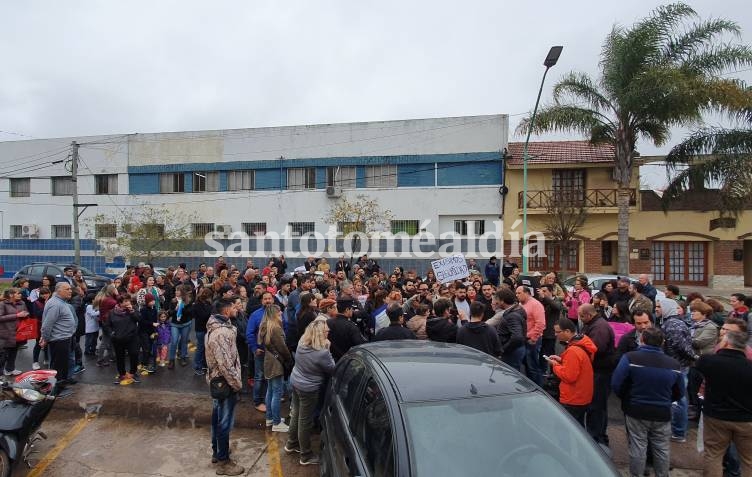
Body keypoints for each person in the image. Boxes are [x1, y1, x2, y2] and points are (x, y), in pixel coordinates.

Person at [611, 327, 684, 477]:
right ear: (662, 342)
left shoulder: (631, 358)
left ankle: (637, 474)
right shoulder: (674, 364)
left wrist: (626, 398)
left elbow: (617, 383)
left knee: (638, 446)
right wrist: (667, 400)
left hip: (636, 409)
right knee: (662, 447)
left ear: (642, 340)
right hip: (662, 411)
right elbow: (680, 391)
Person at [695, 328, 752, 477]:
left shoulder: (709, 361)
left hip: (715, 417)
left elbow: (699, 366)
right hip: (746, 419)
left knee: (713, 455)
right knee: (748, 460)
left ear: (726, 342)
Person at [285, 319, 336, 466]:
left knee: (296, 413)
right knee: (305, 420)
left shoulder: (302, 343)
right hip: (308, 389)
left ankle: (291, 443)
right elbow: (332, 369)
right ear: (320, 334)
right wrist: (328, 348)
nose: (328, 332)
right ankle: (305, 455)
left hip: (295, 382)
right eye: (326, 330)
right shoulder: (322, 353)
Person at [205, 298, 245, 476]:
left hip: (219, 381)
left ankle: (217, 451)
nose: (238, 308)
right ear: (226, 310)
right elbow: (226, 364)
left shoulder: (223, 328)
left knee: (218, 417)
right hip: (224, 383)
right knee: (224, 422)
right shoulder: (221, 333)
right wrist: (237, 383)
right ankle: (223, 461)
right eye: (235, 306)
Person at [657, 298, 696, 443]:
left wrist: (694, 358)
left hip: (677, 366)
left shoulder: (673, 324)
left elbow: (682, 347)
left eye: (659, 306)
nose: (656, 309)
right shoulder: (669, 322)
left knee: (679, 399)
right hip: (674, 365)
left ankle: (678, 432)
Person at [547, 318, 596, 426]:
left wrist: (555, 365)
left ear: (568, 331)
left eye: (558, 332)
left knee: (568, 428)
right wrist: (562, 360)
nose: (555, 334)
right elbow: (579, 365)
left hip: (573, 397)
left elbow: (568, 376)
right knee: (579, 427)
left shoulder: (573, 351)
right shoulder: (583, 342)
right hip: (583, 395)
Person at [580, 303, 616, 446]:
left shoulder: (599, 327)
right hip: (598, 370)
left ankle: (596, 438)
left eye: (582, 316)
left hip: (601, 371)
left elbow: (596, 348)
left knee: (597, 405)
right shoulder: (594, 324)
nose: (581, 319)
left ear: (589, 315)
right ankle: (597, 435)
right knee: (597, 405)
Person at [258, 304, 292, 432]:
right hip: (276, 363)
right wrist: (289, 359)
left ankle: (270, 418)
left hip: (269, 361)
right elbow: (282, 348)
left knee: (270, 391)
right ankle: (276, 423)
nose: (281, 313)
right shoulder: (275, 328)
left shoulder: (265, 326)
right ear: (274, 314)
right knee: (276, 393)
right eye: (279, 312)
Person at [40, 282, 76, 386]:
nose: (70, 291)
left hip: (65, 338)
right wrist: (45, 339)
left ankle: (62, 383)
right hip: (59, 340)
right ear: (58, 291)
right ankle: (56, 387)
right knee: (58, 367)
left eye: (70, 289)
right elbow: (47, 324)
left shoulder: (61, 302)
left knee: (63, 364)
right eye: (67, 289)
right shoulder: (55, 304)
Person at [488, 288, 527, 370]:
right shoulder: (516, 309)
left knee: (510, 374)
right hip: (515, 350)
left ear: (502, 301)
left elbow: (517, 337)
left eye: (497, 300)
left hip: (512, 352)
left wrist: (503, 349)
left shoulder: (512, 316)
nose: (495, 302)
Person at [516, 286, 545, 386]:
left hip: (532, 340)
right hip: (523, 338)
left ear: (527, 293)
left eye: (519, 293)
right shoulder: (520, 304)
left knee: (532, 366)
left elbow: (540, 323)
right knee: (527, 365)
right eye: (516, 293)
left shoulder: (536, 304)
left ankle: (538, 388)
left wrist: (533, 338)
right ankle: (530, 386)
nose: (517, 295)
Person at [109, 294, 141, 386]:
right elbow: (108, 324)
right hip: (118, 339)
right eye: (126, 301)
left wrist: (131, 311)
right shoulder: (112, 312)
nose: (128, 303)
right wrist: (112, 333)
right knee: (120, 357)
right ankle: (122, 374)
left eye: (129, 300)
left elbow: (138, 319)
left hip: (132, 337)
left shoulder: (133, 309)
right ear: (120, 303)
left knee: (134, 354)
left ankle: (133, 372)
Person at [0, 288, 28, 376]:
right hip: (6, 333)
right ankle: (1, 373)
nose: (20, 295)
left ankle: (10, 369)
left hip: (18, 333)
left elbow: (27, 312)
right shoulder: (2, 304)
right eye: (18, 293)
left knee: (14, 352)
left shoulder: (22, 303)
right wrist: (16, 315)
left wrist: (26, 314)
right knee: (3, 355)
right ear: (11, 295)